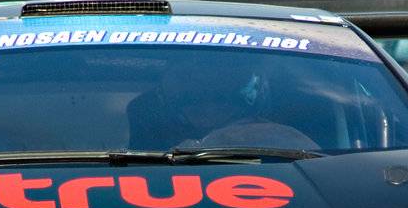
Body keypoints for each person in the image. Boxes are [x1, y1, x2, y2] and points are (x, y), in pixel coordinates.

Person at [126, 62, 316, 150]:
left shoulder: (282, 139)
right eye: (193, 102)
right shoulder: (140, 156)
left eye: (221, 102)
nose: (208, 110)